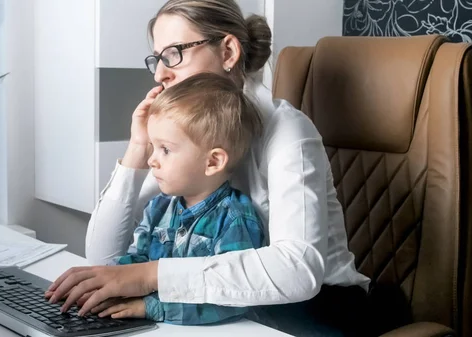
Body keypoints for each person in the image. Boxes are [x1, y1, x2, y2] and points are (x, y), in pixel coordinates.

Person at [46, 0, 372, 335]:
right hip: (234, 304)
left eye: (174, 53)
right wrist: (138, 147)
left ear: (228, 52)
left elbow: (298, 271)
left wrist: (148, 275)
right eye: (157, 59)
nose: (160, 73)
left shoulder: (288, 130)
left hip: (320, 308)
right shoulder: (181, 140)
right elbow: (104, 261)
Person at [91, 72, 265, 325]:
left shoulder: (235, 218)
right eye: (153, 146)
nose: (152, 160)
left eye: (165, 149)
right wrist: (108, 287)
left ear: (213, 161)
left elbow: (232, 298)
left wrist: (151, 307)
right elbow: (137, 260)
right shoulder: (159, 207)